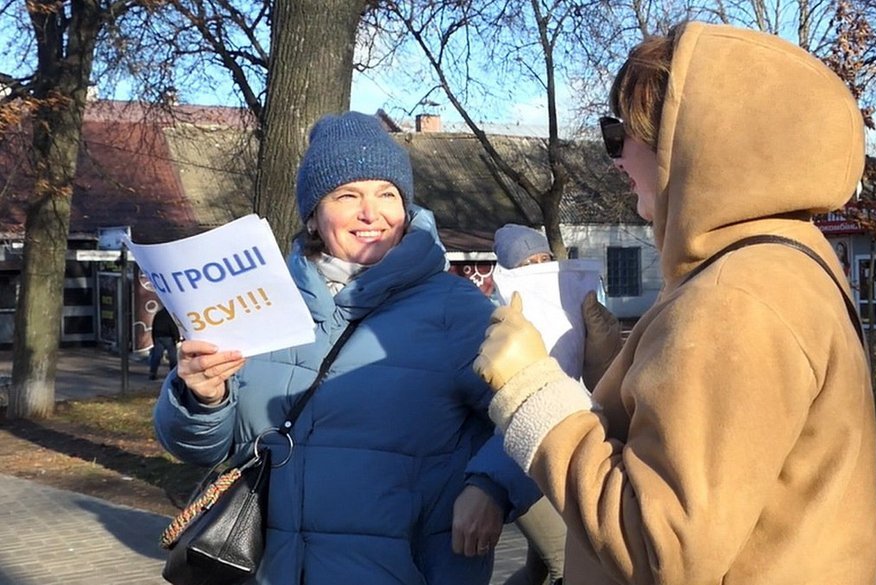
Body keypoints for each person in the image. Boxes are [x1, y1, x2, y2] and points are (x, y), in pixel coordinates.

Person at [473, 22, 876, 585]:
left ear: (694, 144)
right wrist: (608, 367)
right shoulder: (786, 262)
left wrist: (529, 391)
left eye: (620, 133)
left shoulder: (736, 299)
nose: (614, 157)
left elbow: (661, 547)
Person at [154, 111, 539, 585]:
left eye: (387, 194)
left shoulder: (457, 311)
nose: (370, 213)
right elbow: (200, 447)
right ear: (314, 215)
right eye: (347, 195)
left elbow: (538, 413)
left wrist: (492, 487)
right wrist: (200, 398)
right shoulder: (256, 304)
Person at [491, 224, 567, 585]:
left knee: (538, 568)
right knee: (566, 563)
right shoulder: (493, 323)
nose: (538, 268)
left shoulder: (566, 309)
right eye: (527, 263)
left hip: (563, 448)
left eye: (544, 260)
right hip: (520, 458)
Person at [148, 305, 180, 380]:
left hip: (158, 337)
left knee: (156, 356)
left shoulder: (158, 314)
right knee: (172, 357)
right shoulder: (170, 315)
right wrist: (177, 338)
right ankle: (173, 375)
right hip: (168, 337)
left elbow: (154, 326)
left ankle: (152, 373)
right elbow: (173, 327)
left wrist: (153, 338)